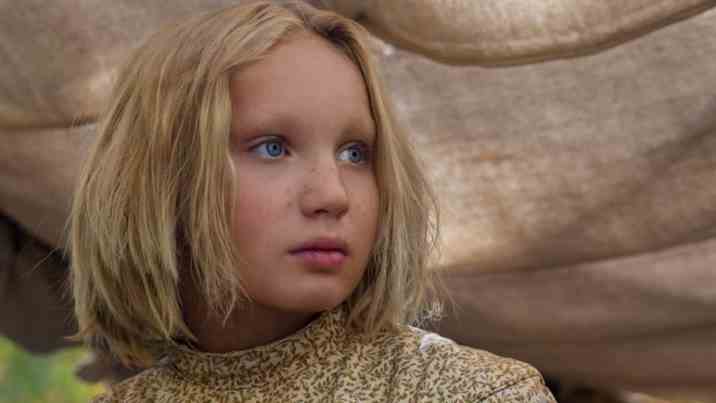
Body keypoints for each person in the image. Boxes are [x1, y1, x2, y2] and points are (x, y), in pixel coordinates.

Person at [68, 1, 556, 401]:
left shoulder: (478, 394)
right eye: (272, 148)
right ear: (160, 178)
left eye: (355, 153)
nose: (332, 195)